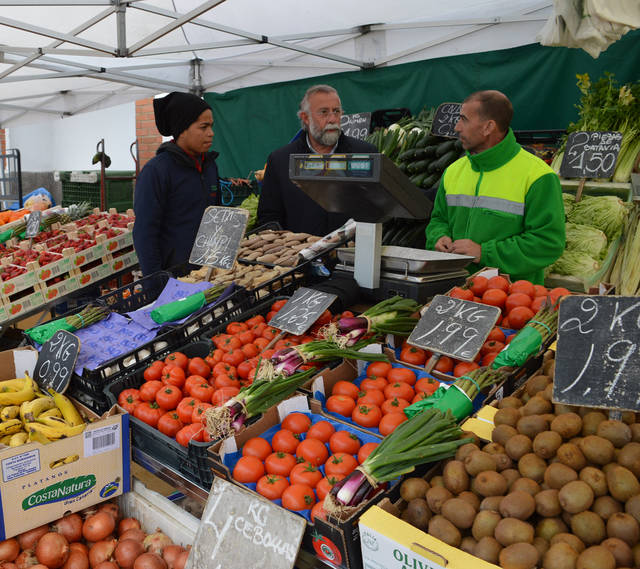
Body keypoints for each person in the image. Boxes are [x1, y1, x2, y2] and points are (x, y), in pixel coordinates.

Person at [425, 90, 565, 284]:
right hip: (454, 290)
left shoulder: (538, 176)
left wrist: (484, 253)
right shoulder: (453, 171)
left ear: (488, 127)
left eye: (464, 120)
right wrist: (438, 237)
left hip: (512, 299)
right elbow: (438, 219)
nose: (457, 127)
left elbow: (547, 243)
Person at [257, 84, 377, 236]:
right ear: (305, 118)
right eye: (324, 112)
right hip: (300, 256)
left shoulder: (365, 154)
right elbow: (269, 217)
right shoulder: (280, 161)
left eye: (336, 111)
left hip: (351, 255)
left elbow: (375, 210)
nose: (332, 119)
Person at [133, 92, 220, 275]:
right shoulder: (156, 171)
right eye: (203, 127)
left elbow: (217, 217)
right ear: (182, 129)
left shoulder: (210, 166)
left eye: (211, 126)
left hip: (210, 272)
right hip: (175, 277)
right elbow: (145, 235)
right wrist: (156, 285)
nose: (211, 133)